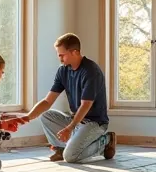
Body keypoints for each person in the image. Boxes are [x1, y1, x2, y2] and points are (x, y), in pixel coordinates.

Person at [14, 33, 116, 163]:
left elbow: (86, 105)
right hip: (76, 120)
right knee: (46, 115)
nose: (60, 59)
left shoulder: (91, 71)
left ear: (75, 52)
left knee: (71, 157)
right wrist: (27, 117)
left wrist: (70, 127)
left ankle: (105, 141)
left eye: (62, 55)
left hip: (94, 123)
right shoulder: (63, 71)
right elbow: (47, 101)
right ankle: (61, 148)